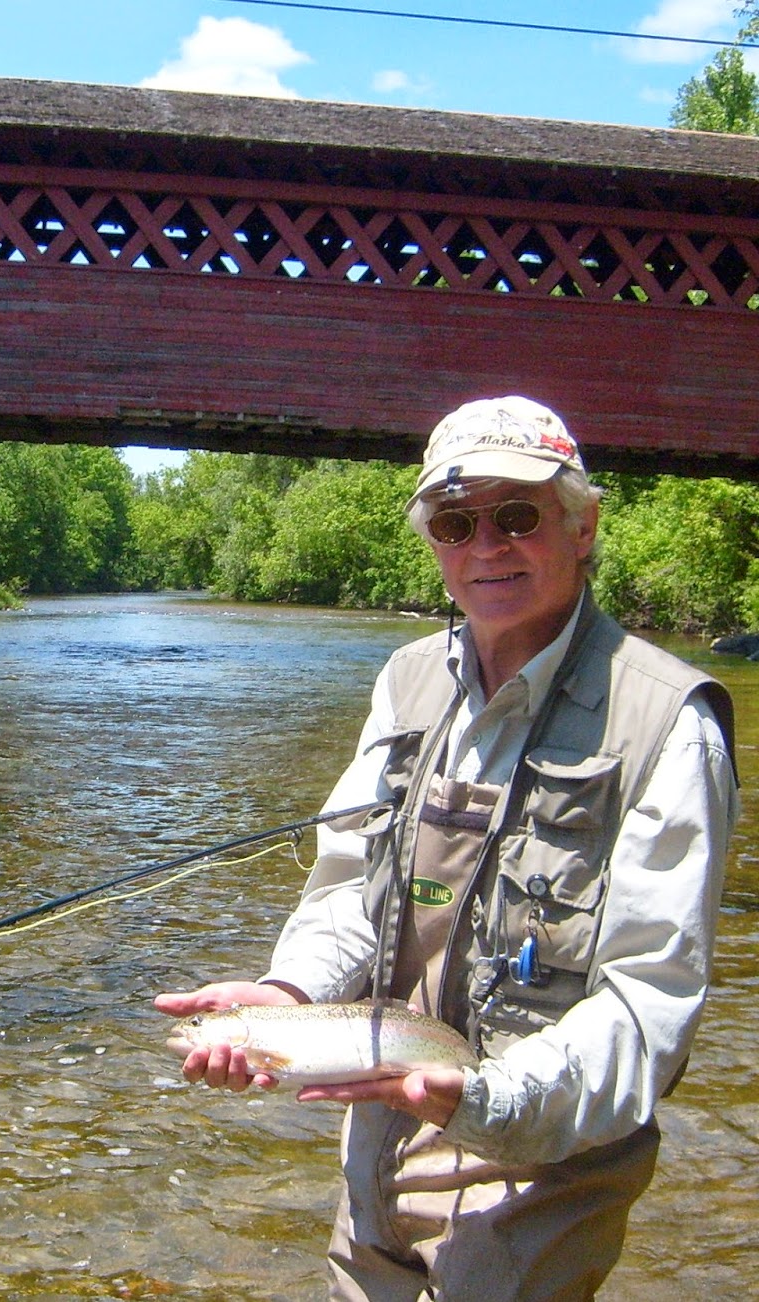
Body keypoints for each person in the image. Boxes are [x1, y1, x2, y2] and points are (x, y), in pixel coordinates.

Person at [155, 396, 738, 1301]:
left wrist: (483, 1100)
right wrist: (287, 993)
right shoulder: (408, 681)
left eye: (517, 516)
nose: (485, 547)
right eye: (455, 523)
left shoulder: (671, 722)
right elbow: (350, 888)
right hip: (383, 1128)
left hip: (544, 1155)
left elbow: (648, 1007)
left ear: (582, 527)